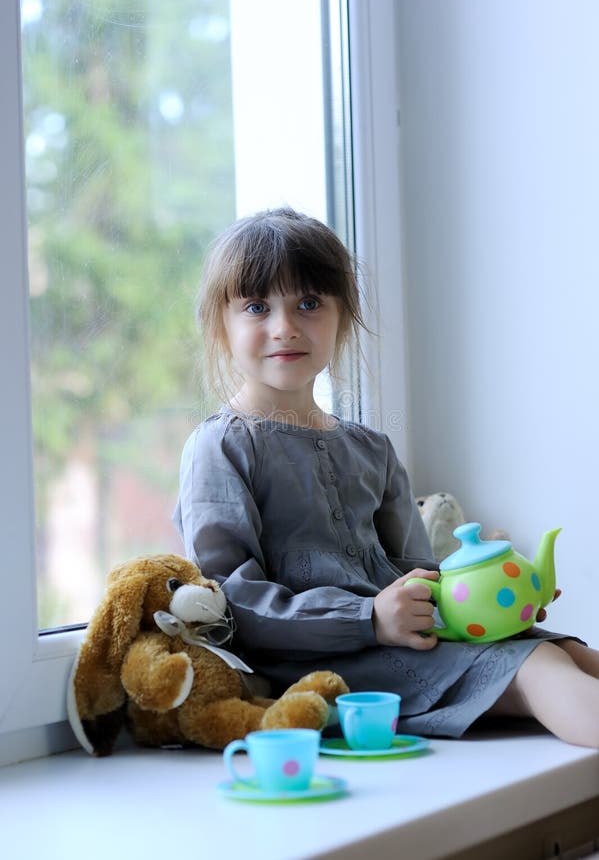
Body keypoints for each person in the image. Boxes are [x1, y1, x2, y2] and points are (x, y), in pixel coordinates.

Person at [173, 206, 599, 748]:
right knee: (541, 666)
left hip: (404, 644)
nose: (285, 327)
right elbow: (228, 602)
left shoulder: (370, 447)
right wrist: (367, 618)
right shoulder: (220, 446)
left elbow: (418, 573)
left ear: (341, 318)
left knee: (572, 652)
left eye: (308, 303)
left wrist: (489, 601)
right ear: (221, 326)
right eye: (257, 307)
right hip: (315, 667)